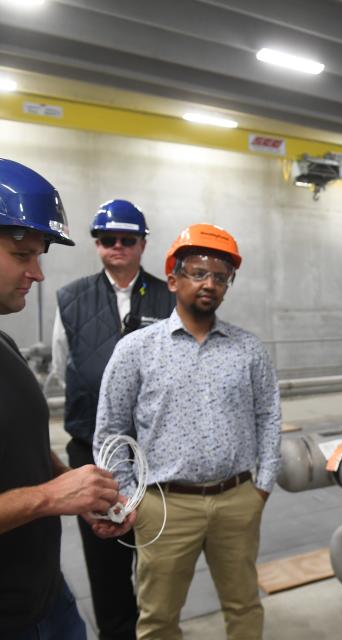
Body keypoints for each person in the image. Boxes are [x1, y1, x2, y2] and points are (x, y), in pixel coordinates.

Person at [94, 223, 282, 640]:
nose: (209, 283)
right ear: (174, 279)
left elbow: (269, 415)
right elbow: (110, 431)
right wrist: (130, 499)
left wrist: (262, 486)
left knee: (245, 605)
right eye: (198, 273)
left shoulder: (248, 349)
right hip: (164, 506)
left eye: (220, 277)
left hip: (237, 500)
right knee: (159, 617)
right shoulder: (137, 350)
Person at [0, 159, 135, 639]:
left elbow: (23, 449)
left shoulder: (5, 346)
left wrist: (79, 490)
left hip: (45, 594)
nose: (37, 273)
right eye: (22, 256)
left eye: (40, 255)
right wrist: (50, 497)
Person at [50, 199, 175, 640]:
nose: (117, 246)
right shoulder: (71, 299)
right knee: (106, 559)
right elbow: (62, 365)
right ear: (97, 244)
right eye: (107, 240)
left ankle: (156, 629)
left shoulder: (169, 297)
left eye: (128, 239)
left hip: (156, 455)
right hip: (93, 452)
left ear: (143, 244)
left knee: (158, 558)